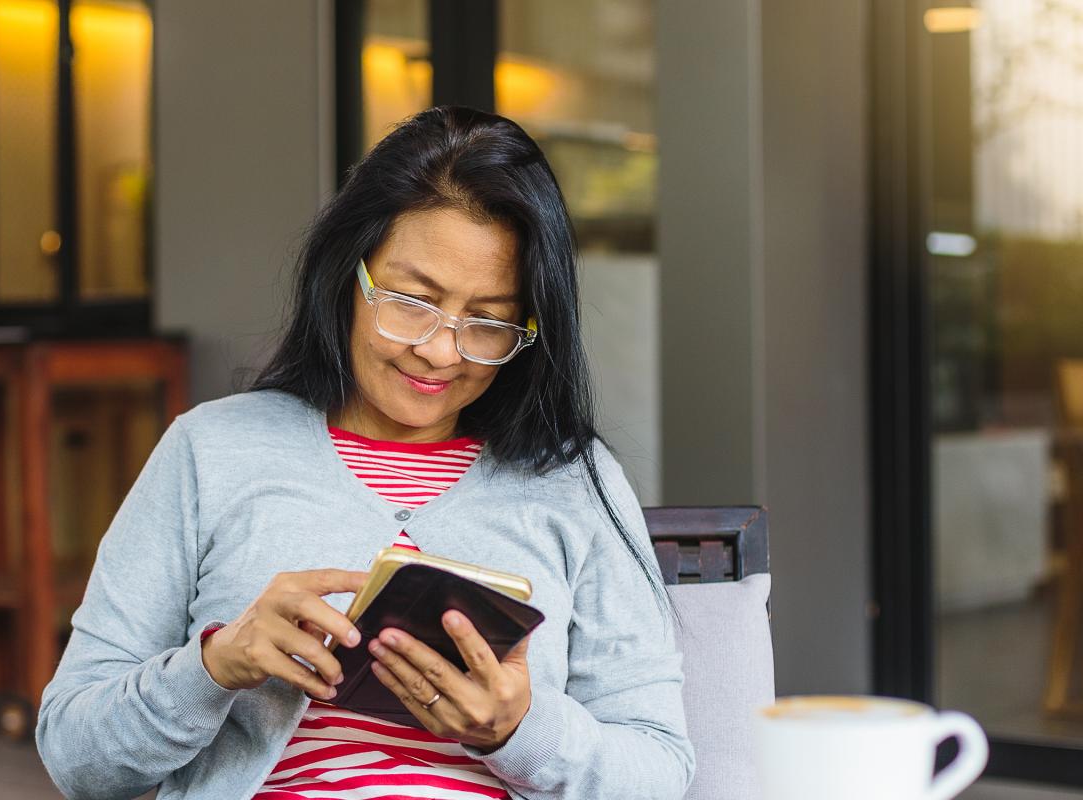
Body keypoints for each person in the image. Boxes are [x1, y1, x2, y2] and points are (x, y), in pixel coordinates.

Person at [36, 106, 693, 800]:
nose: (441, 351)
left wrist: (517, 728)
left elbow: (659, 769)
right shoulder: (212, 451)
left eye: (489, 320)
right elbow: (76, 756)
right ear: (346, 273)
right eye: (412, 300)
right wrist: (214, 667)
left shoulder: (573, 481)